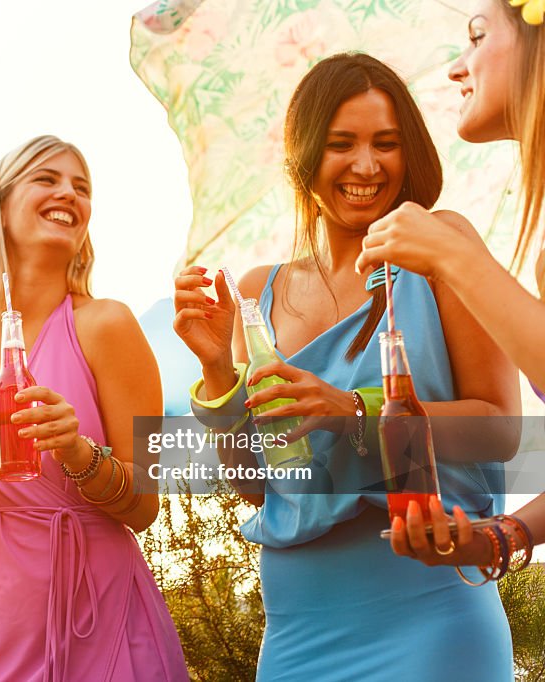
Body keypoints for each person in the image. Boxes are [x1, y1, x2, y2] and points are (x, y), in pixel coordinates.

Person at [175, 53, 520, 680]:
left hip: (431, 614)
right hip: (297, 633)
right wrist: (218, 375)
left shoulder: (439, 247)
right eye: (342, 144)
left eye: (386, 144)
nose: (367, 165)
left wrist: (352, 412)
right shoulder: (260, 293)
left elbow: (501, 427)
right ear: (304, 154)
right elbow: (258, 484)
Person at [0, 135, 189, 681]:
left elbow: (145, 508)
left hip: (106, 620)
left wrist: (77, 451)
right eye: (47, 179)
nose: (69, 194)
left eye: (82, 187)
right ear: (1, 208)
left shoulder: (108, 326)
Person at [357, 0, 545, 579]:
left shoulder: (452, 256)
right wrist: (499, 537)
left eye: (478, 36)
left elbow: (501, 430)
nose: (456, 68)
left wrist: (450, 255)